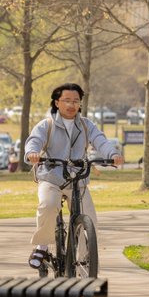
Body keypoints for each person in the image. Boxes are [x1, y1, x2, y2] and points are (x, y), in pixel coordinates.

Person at [24, 83, 123, 270]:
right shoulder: (47, 125)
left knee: (90, 218)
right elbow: (34, 141)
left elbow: (101, 141)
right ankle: (42, 246)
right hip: (51, 178)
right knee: (48, 205)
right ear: (57, 102)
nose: (71, 105)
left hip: (78, 180)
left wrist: (113, 154)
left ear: (80, 104)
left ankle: (84, 258)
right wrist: (32, 153)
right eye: (67, 100)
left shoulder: (86, 125)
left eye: (76, 101)